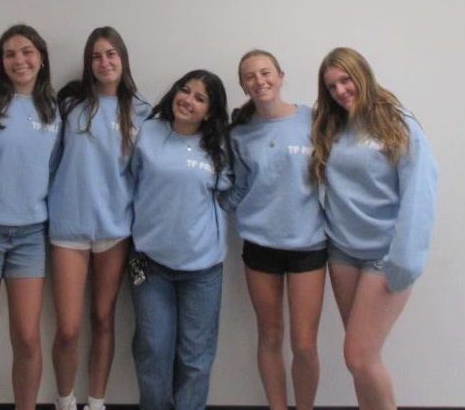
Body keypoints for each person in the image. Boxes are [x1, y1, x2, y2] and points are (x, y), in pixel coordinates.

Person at [309, 47, 438, 409]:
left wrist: (405, 259)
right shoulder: (332, 125)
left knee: (359, 355)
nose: (340, 91)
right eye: (331, 86)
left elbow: (420, 192)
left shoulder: (397, 122)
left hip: (385, 256)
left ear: (362, 74)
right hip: (343, 254)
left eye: (345, 80)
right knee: (360, 361)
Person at [48, 26, 150, 410]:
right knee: (69, 327)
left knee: (104, 318)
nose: (105, 62)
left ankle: (96, 401)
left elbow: (144, 174)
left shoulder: (142, 110)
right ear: (88, 64)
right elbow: (51, 159)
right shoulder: (70, 103)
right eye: (97, 56)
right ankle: (64, 400)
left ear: (123, 59)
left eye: (111, 54)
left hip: (115, 230)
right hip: (68, 228)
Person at [222, 50, 327, 410]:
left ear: (281, 76)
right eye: (249, 76)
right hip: (259, 246)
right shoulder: (239, 133)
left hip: (308, 244)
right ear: (243, 86)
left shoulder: (314, 120)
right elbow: (235, 188)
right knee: (269, 336)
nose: (259, 80)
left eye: (265, 72)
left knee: (304, 344)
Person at [0, 24, 60, 410]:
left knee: (26, 336)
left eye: (27, 52)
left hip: (30, 236)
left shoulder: (52, 108)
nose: (19, 60)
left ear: (41, 56)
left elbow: (52, 170)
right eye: (9, 54)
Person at [130, 70, 230, 410]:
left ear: (210, 112)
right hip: (150, 265)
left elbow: (231, 192)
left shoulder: (219, 146)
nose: (188, 100)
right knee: (153, 351)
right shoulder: (147, 131)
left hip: (203, 270)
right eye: (185, 91)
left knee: (195, 358)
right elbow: (127, 184)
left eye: (200, 98)